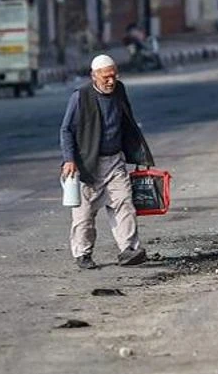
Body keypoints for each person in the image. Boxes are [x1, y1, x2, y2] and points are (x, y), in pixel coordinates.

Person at [59, 54, 154, 270]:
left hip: (115, 161)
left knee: (124, 204)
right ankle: (83, 254)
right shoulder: (80, 96)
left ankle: (129, 250)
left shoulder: (119, 89)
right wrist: (69, 160)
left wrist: (137, 153)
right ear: (94, 76)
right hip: (87, 165)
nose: (111, 81)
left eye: (113, 76)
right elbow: (66, 130)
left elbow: (127, 120)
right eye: (106, 77)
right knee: (84, 215)